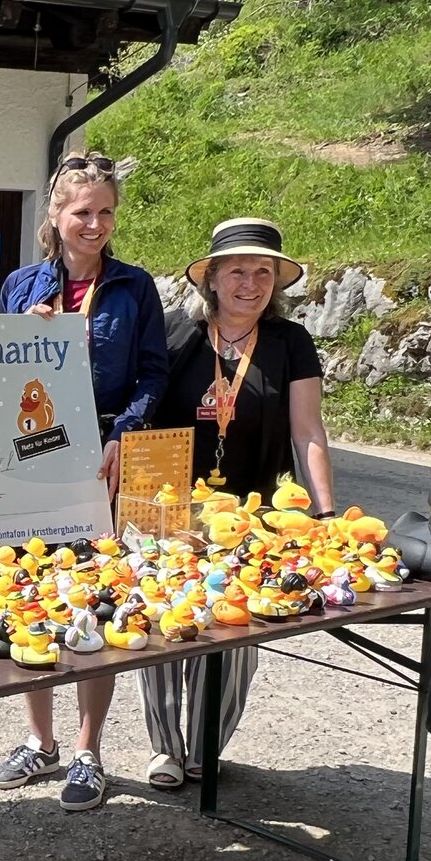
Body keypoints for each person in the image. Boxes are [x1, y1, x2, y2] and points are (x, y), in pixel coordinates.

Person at [0, 152, 169, 812]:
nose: (95, 224)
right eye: (83, 212)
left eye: (106, 212)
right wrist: (17, 336)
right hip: (32, 454)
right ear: (56, 216)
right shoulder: (20, 285)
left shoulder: (135, 287)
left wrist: (126, 432)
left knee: (97, 601)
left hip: (101, 457)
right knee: (30, 596)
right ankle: (41, 742)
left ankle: (89, 749)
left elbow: (153, 372)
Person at [139, 217, 333, 787]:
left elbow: (309, 431)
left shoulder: (291, 342)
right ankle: (165, 747)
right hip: (171, 514)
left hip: (256, 519)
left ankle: (206, 745)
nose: (251, 284)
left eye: (263, 272)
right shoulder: (176, 332)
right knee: (165, 623)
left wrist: (324, 515)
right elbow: (137, 408)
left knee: (236, 627)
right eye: (238, 271)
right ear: (213, 279)